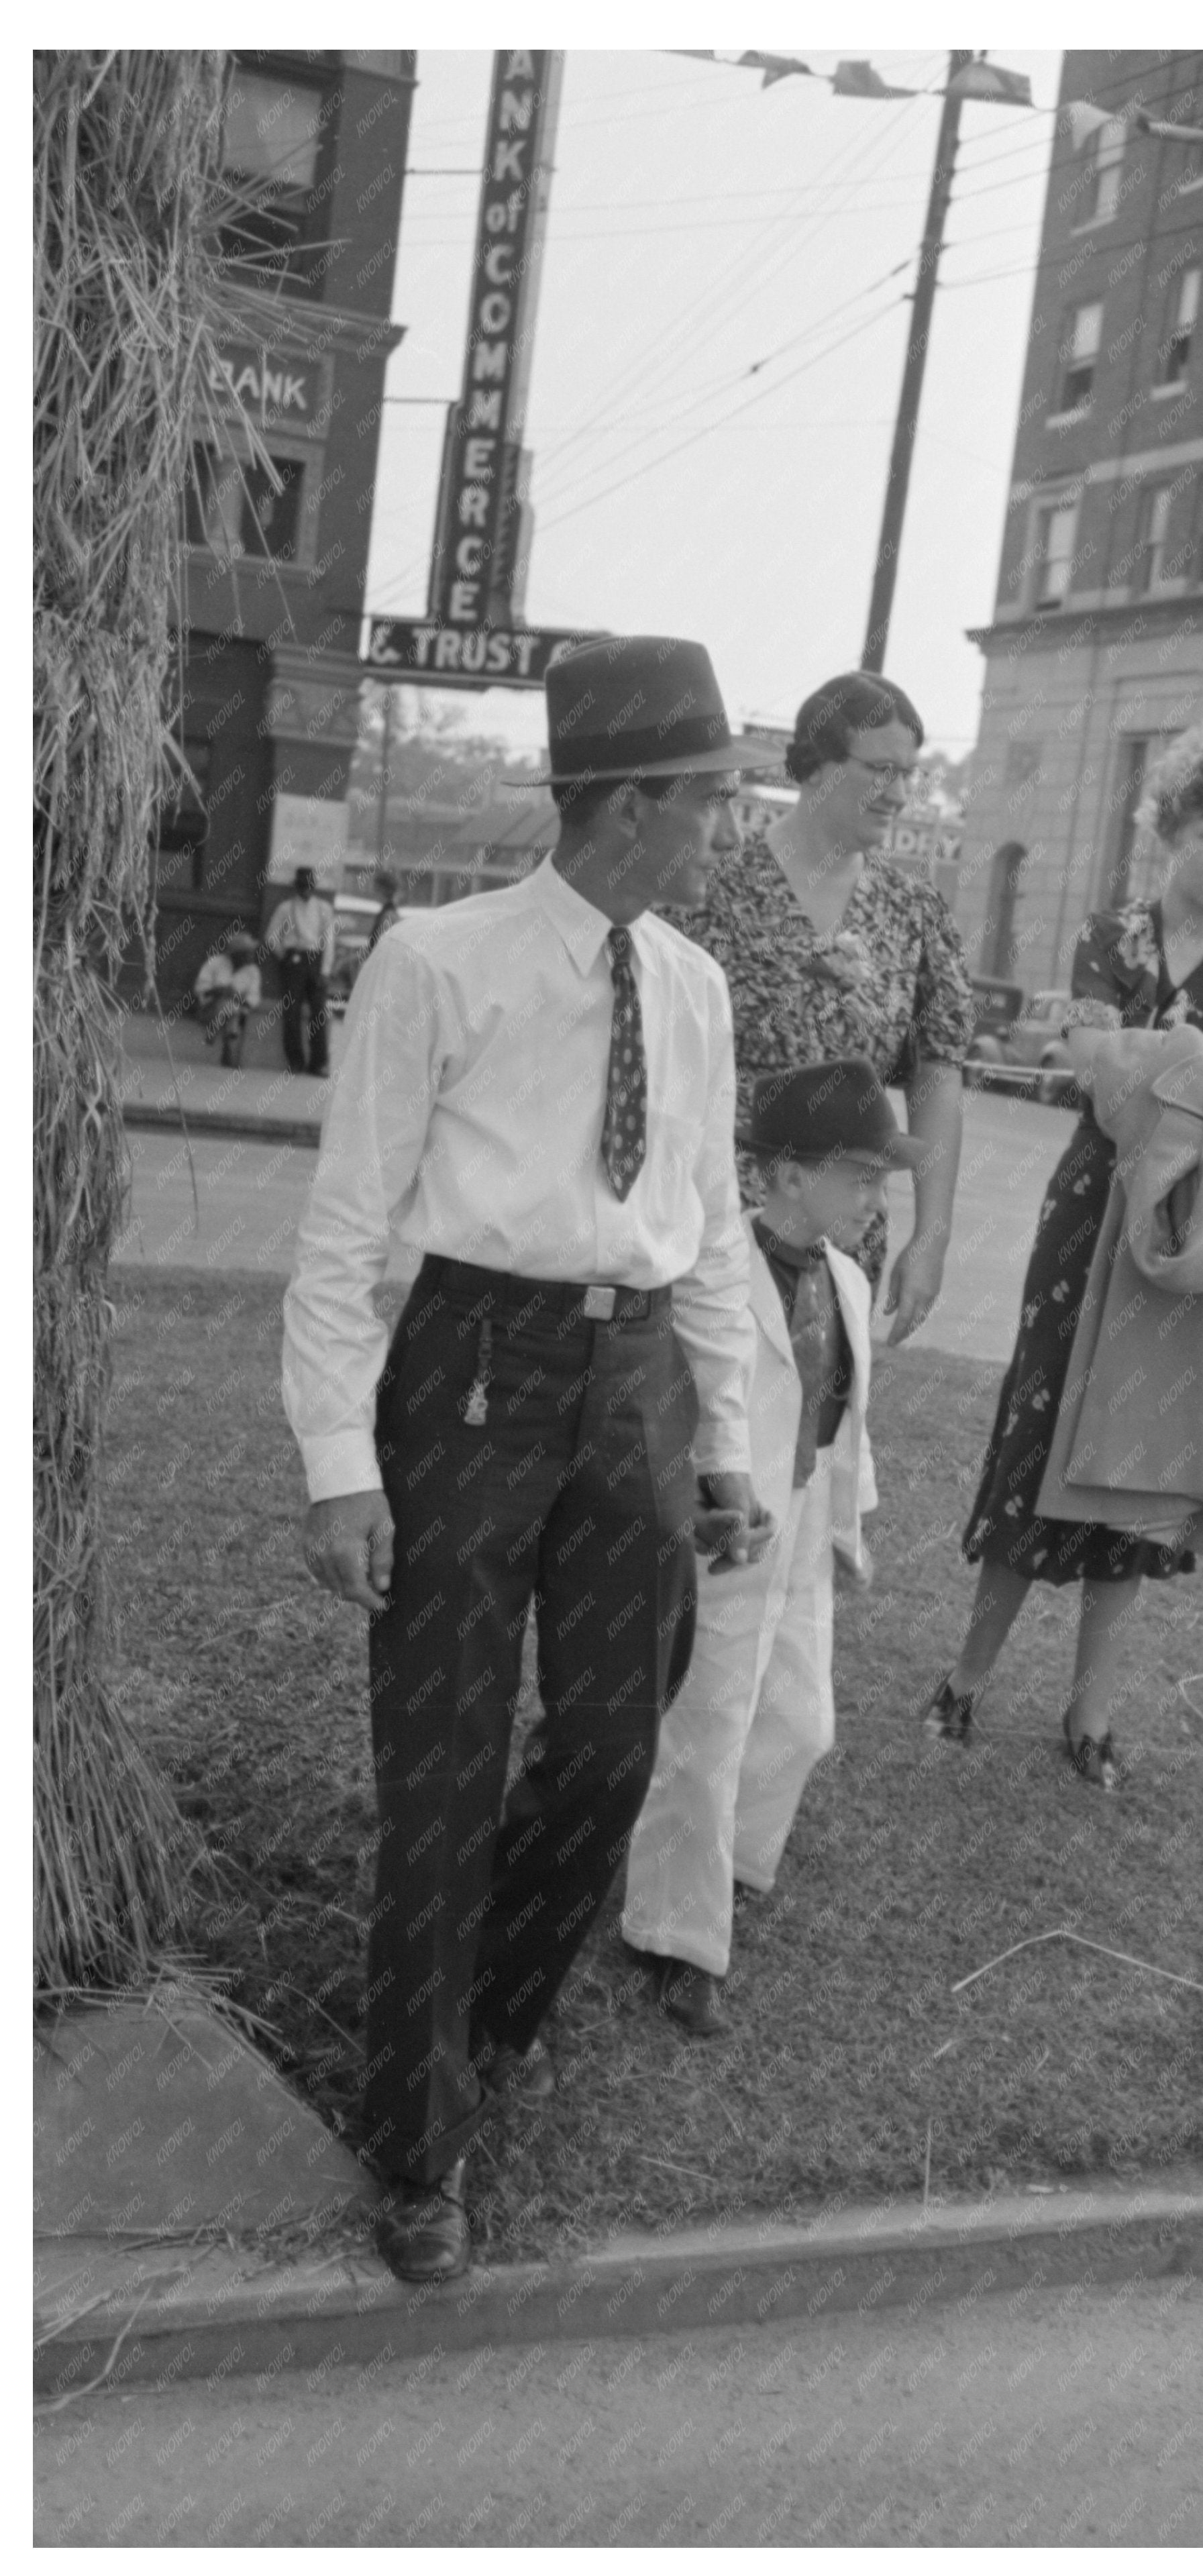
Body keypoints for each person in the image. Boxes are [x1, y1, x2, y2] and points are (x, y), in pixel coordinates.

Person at [282, 637, 783, 2285]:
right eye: (705, 801)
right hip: (471, 1370)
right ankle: (418, 2145)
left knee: (607, 1758)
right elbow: (351, 1223)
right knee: (438, 1765)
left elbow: (705, 1236)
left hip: (630, 1375)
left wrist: (722, 1438)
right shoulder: (440, 962)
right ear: (628, 803)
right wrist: (340, 1461)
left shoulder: (693, 991)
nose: (719, 831)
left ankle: (482, 2013)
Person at [925, 718, 1203, 1789]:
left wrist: (1162, 1068)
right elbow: (1092, 1066)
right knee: (1040, 1425)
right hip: (1092, 1212)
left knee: (1140, 1452)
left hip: (1189, 1234)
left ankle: (1091, 1711)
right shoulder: (1113, 937)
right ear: (1170, 830)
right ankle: (966, 1677)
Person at [621, 1060, 908, 2035]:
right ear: (785, 1173)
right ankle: (676, 1934)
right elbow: (675, 1401)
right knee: (707, 1723)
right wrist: (693, 1500)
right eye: (860, 1176)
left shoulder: (850, 1281)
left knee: (800, 1718)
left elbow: (845, 1417)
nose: (877, 1198)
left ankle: (731, 1861)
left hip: (801, 1512)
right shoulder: (712, 1272)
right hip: (726, 1526)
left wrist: (847, 1525)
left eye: (881, 1179)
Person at [664, 670, 974, 1339]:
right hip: (713, 1218)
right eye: (880, 770)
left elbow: (938, 1074)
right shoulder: (713, 891)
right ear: (816, 762)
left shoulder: (912, 911)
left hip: (844, 1232)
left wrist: (932, 1236)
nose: (898, 793)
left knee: (816, 1425)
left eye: (908, 775)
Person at [266, 865, 337, 1076]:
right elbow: (271, 937)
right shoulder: (286, 908)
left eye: (308, 886)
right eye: (301, 886)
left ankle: (319, 1063)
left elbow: (329, 942)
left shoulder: (324, 908)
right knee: (292, 1012)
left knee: (318, 1012)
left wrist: (325, 971)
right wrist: (285, 957)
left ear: (313, 886)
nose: (305, 890)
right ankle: (295, 1062)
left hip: (315, 961)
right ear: (296, 887)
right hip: (294, 960)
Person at [193, 929, 261, 1068]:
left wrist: (241, 1001)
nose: (251, 956)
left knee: (232, 1008)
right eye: (247, 953)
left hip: (238, 1010)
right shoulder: (216, 963)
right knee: (227, 1006)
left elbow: (254, 995)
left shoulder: (253, 971)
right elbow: (200, 988)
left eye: (251, 953)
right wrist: (218, 990)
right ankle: (230, 1039)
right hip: (210, 1007)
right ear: (237, 954)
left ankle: (215, 1033)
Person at [366, 868, 403, 958]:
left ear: (382, 890)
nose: (373, 891)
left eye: (375, 887)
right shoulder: (388, 913)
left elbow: (383, 947)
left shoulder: (388, 915)